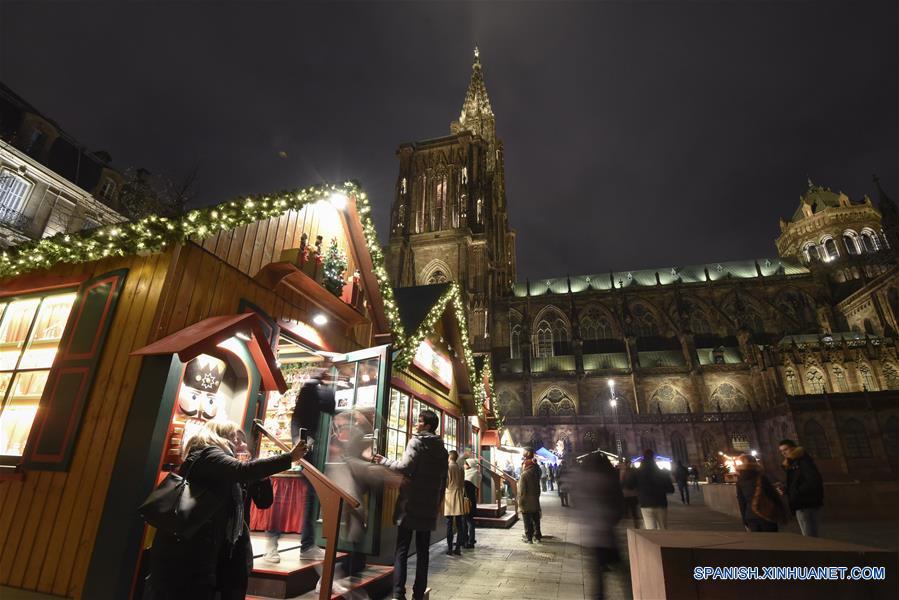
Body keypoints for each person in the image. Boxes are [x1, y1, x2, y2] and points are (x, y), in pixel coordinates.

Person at [145, 420, 307, 600]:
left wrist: (262, 474)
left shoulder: (230, 466)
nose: (243, 445)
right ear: (220, 436)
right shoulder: (207, 453)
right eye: (237, 439)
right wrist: (288, 458)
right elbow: (243, 471)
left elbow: (263, 502)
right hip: (191, 547)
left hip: (218, 547)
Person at [372, 410, 448, 600]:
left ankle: (398, 593)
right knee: (423, 551)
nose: (416, 423)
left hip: (411, 503)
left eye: (420, 421)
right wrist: (438, 502)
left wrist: (384, 461)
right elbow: (443, 480)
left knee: (402, 548)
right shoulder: (442, 450)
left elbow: (405, 467)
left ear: (428, 426)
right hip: (428, 505)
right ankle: (418, 594)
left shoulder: (417, 442)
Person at [264, 370, 335, 563]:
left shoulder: (320, 390)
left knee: (310, 499)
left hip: (313, 453)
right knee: (286, 501)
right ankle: (272, 542)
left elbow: (331, 407)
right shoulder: (309, 388)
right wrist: (299, 442)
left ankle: (306, 545)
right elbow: (297, 418)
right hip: (302, 449)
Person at [573, 453, 623, 600]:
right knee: (621, 571)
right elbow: (619, 506)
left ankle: (598, 596)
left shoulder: (581, 479)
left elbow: (576, 503)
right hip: (606, 532)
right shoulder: (608, 479)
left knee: (597, 574)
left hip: (590, 534)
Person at [778, 439, 824, 537]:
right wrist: (786, 489)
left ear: (793, 448)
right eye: (781, 451)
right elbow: (797, 481)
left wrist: (795, 493)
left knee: (809, 536)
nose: (783, 453)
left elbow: (813, 481)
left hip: (805, 503)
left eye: (785, 449)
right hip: (803, 502)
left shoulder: (802, 461)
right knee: (810, 534)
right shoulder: (793, 462)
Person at [625, 449, 674, 530]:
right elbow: (671, 489)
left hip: (645, 503)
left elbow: (629, 485)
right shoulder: (662, 472)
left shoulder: (637, 472)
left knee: (650, 530)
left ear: (643, 457)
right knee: (663, 529)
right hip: (660, 502)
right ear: (653, 457)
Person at [735, 454, 783, 532]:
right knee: (772, 540)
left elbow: (741, 502)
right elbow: (773, 496)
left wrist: (744, 520)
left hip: (750, 516)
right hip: (766, 514)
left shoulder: (740, 481)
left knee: (759, 542)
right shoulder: (762, 477)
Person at [444, 450, 466, 555]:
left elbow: (446, 483)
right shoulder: (461, 468)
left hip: (449, 496)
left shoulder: (447, 467)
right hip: (459, 495)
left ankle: (449, 548)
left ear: (449, 457)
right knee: (459, 524)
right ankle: (458, 547)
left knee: (449, 523)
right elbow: (462, 483)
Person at [518, 450, 543, 543]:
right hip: (535, 500)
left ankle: (529, 538)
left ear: (526, 465)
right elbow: (538, 487)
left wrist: (520, 502)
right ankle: (537, 536)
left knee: (527, 520)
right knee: (536, 518)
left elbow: (521, 490)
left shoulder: (524, 475)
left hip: (526, 501)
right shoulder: (535, 473)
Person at [461, 453, 480, 548]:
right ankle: (467, 539)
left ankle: (470, 541)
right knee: (466, 521)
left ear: (469, 465)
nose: (464, 465)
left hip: (467, 501)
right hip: (470, 499)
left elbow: (465, 486)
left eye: (465, 464)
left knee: (468, 521)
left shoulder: (471, 474)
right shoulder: (475, 472)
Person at [619, 458, 640, 529]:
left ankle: (627, 526)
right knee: (633, 511)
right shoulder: (634, 471)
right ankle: (635, 525)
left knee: (628, 511)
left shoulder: (622, 472)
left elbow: (621, 483)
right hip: (632, 494)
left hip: (626, 494)